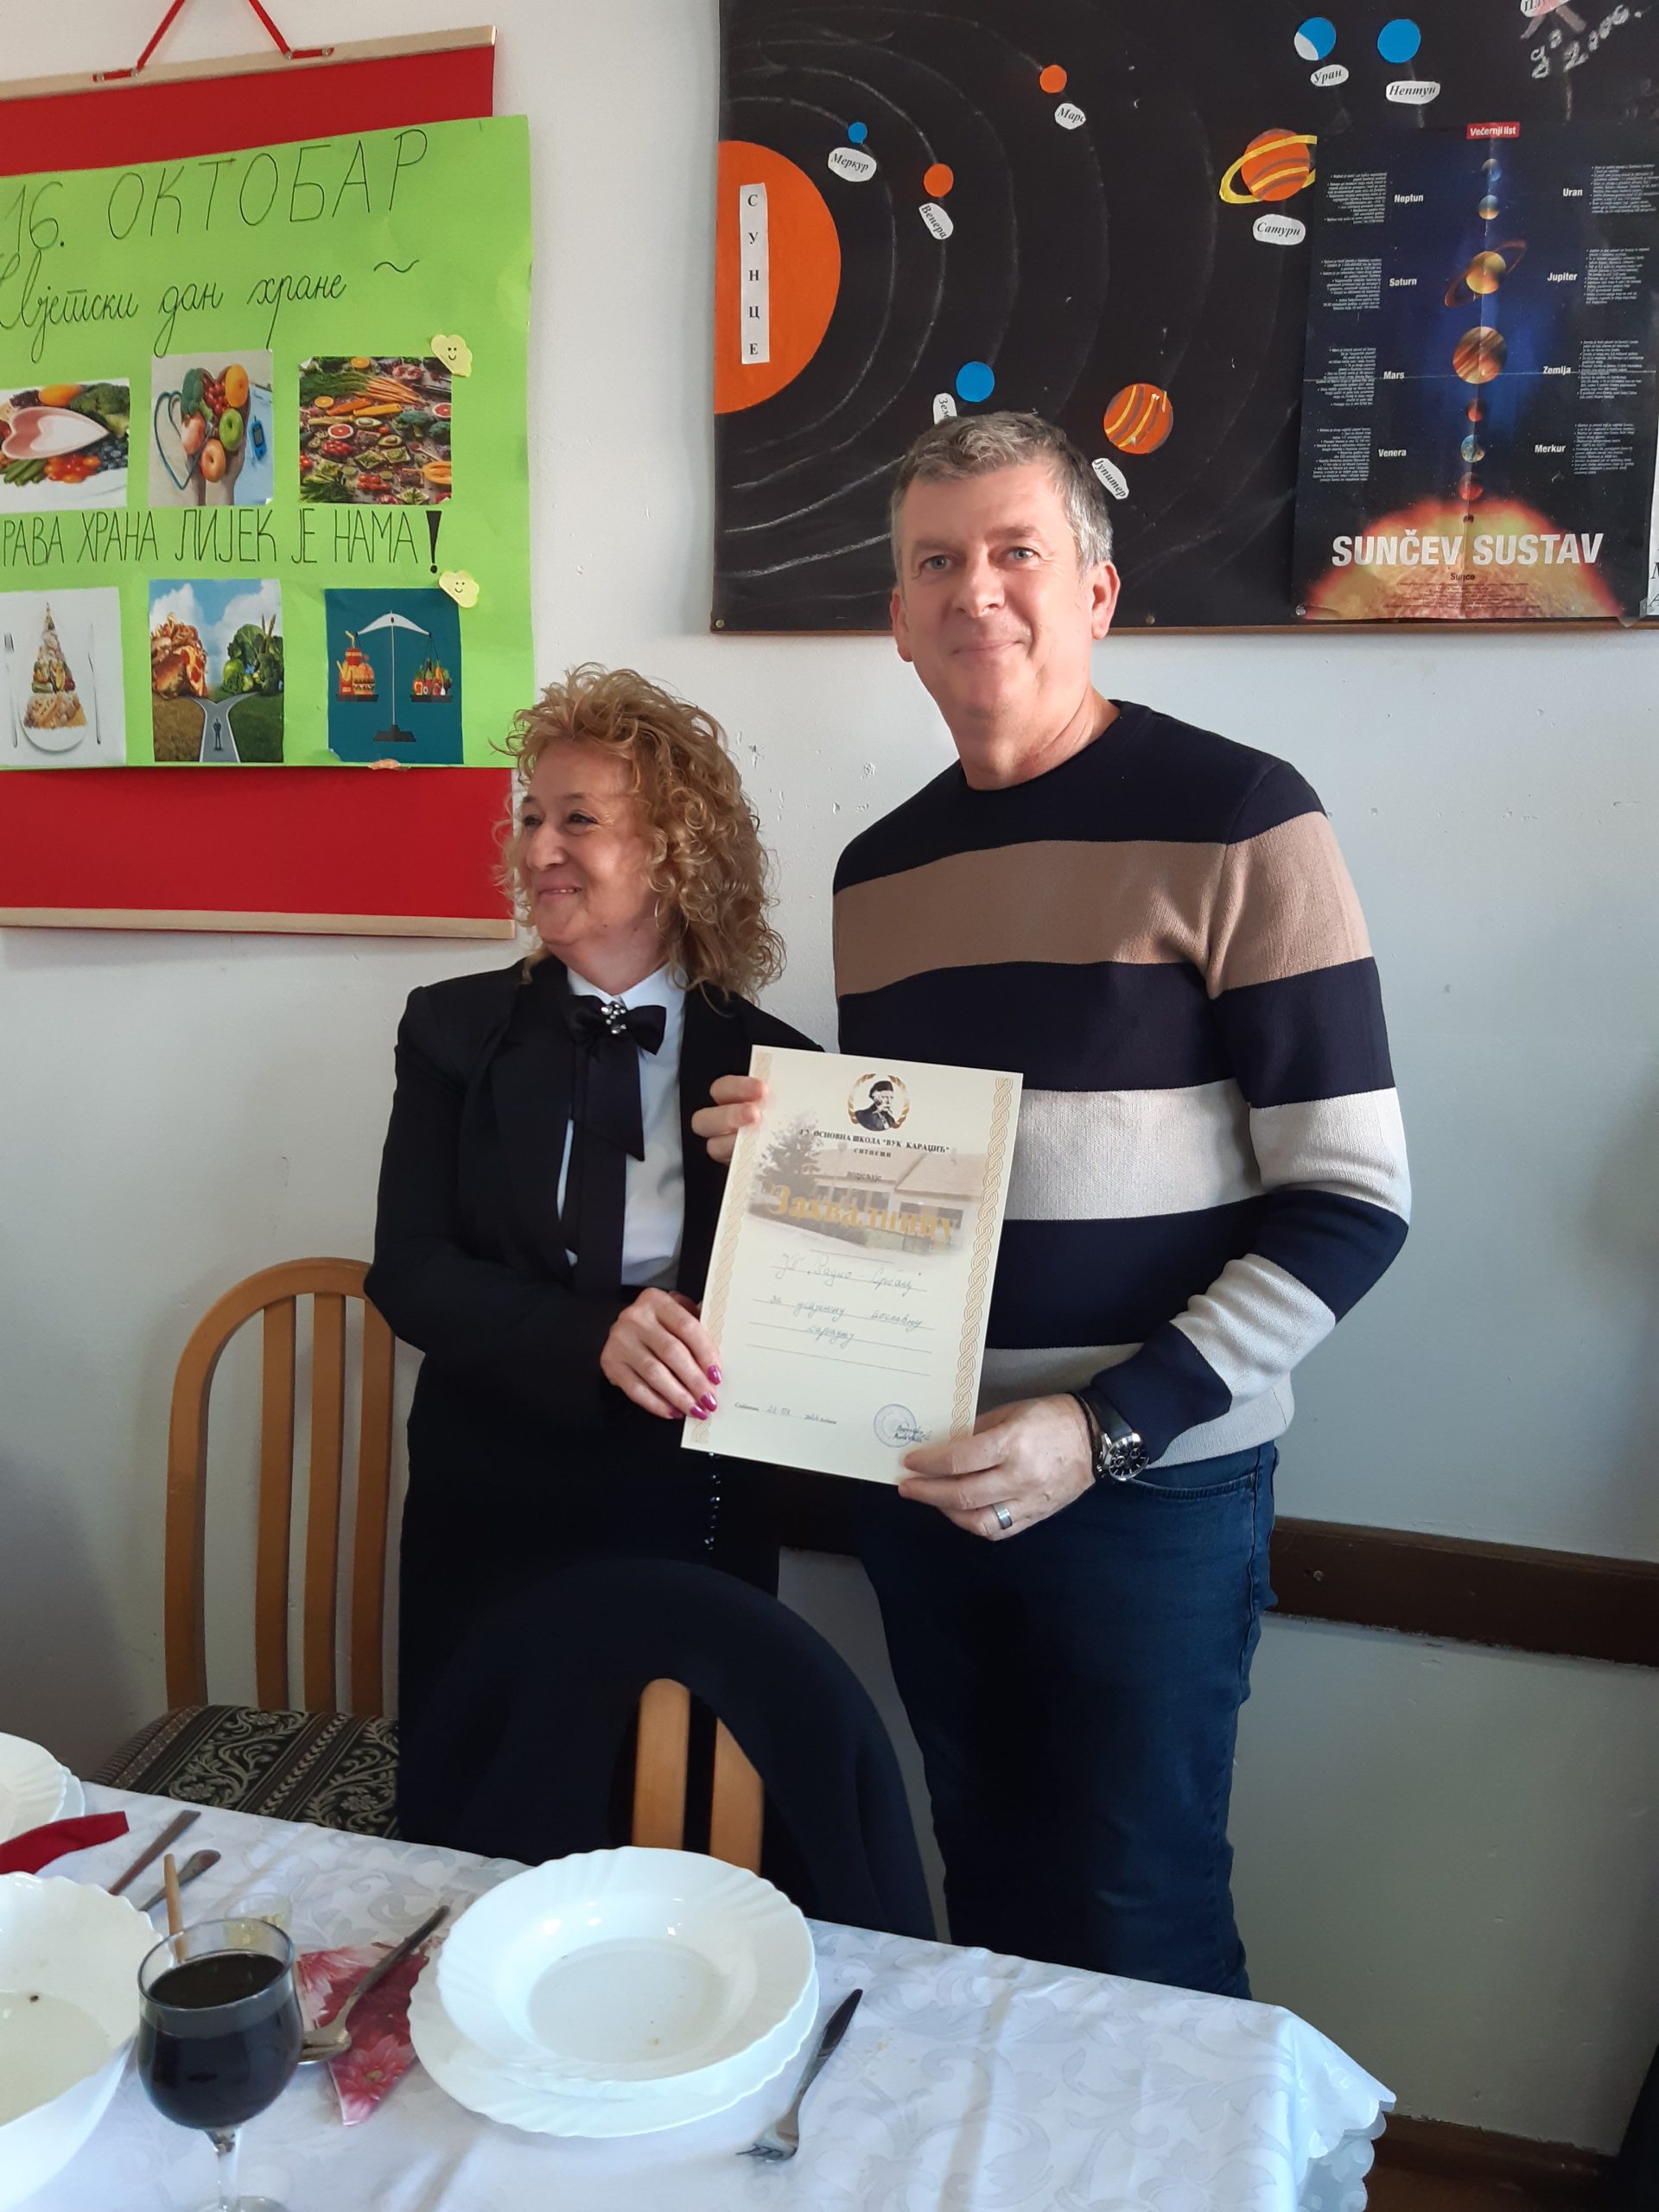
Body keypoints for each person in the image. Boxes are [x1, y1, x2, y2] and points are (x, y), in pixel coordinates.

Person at [696, 413, 1411, 1997]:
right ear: (896, 618)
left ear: (1097, 590)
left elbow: (1354, 1201)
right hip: (927, 1475)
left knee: (1142, 1914)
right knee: (991, 1888)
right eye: (936, 562)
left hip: (1151, 1494)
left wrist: (1104, 1431)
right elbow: (926, 1183)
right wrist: (797, 1157)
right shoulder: (878, 874)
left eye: (1018, 551)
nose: (978, 591)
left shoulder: (1243, 817)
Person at [366, 664, 816, 1756]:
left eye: (578, 819)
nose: (538, 850)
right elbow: (409, 1270)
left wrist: (807, 1183)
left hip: (692, 1504)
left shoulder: (781, 1071)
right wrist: (592, 1335)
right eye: (531, 817)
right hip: (489, 1493)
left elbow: (816, 1320)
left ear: (673, 851)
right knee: (481, 1799)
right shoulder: (450, 1029)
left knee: (675, 1804)